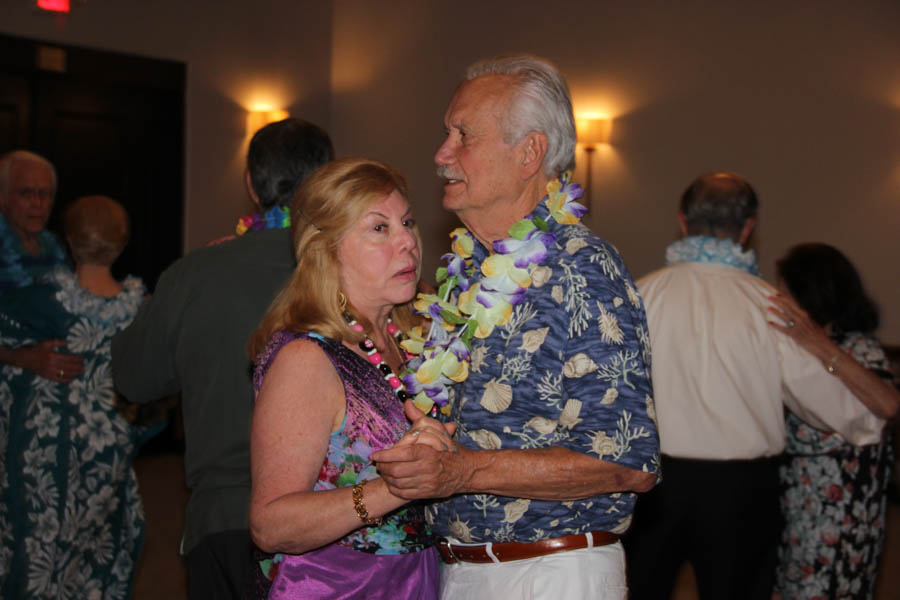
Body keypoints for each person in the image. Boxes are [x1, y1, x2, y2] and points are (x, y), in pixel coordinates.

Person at [371, 55, 659, 600]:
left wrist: (462, 472)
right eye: (445, 133)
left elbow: (629, 463)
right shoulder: (465, 276)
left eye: (463, 135)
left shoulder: (582, 268)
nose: (441, 154)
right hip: (458, 569)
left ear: (530, 153)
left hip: (551, 575)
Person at [626, 173, 889, 600]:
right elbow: (821, 399)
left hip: (654, 485)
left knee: (642, 590)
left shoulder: (640, 295)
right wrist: (866, 422)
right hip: (741, 494)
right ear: (749, 227)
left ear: (681, 219)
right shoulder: (771, 307)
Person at [111, 118, 334, 599]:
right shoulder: (353, 269)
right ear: (326, 180)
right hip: (330, 518)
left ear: (250, 185)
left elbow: (133, 378)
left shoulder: (194, 274)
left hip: (225, 518)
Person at [247, 157, 440, 599]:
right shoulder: (307, 359)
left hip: (420, 579)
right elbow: (271, 523)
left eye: (407, 221)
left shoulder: (417, 341)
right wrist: (395, 488)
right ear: (326, 248)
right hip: (340, 585)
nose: (408, 241)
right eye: (379, 228)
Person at [0, 195, 152, 599]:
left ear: (68, 240)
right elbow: (159, 392)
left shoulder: (41, 301)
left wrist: (21, 357)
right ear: (122, 244)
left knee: (39, 542)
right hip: (110, 452)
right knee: (101, 544)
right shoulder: (144, 312)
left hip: (45, 455)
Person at [768, 243, 899, 600]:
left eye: (786, 290)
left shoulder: (858, 348)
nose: (781, 299)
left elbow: (888, 405)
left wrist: (820, 345)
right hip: (797, 507)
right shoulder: (791, 350)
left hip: (844, 516)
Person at [0, 150, 84, 383]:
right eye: (26, 193)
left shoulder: (56, 245)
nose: (37, 204)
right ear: (2, 195)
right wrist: (20, 357)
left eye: (45, 194)